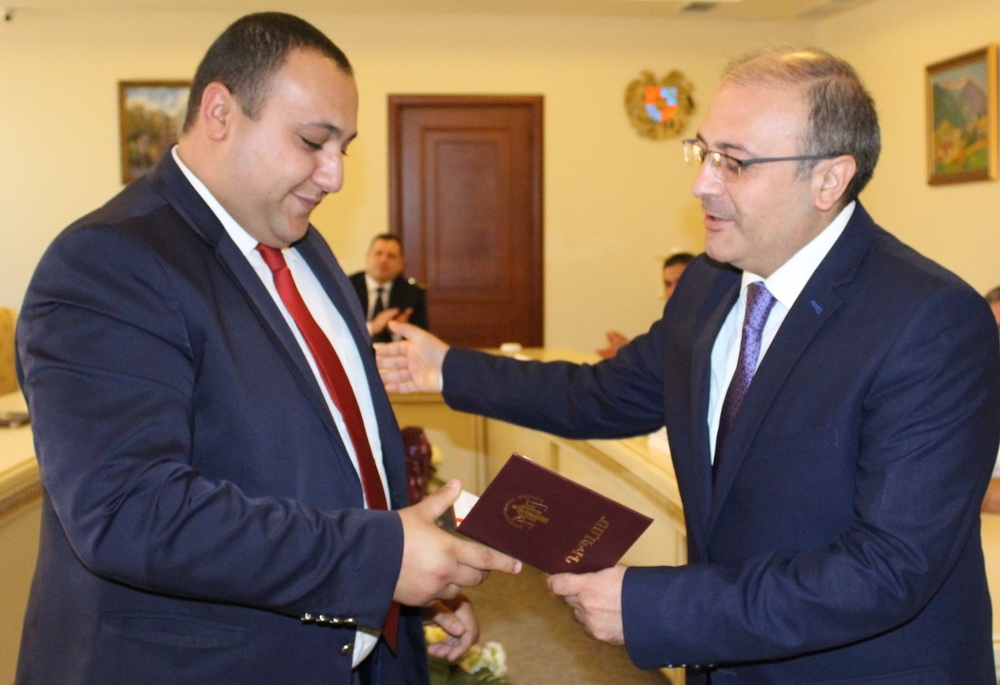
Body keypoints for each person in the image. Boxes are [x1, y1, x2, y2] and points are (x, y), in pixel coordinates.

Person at [378, 47, 1000, 683]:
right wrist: (449, 369)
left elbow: (888, 567)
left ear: (829, 179)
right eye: (703, 152)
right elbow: (607, 394)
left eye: (734, 162)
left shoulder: (929, 322)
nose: (702, 183)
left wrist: (655, 608)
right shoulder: (712, 281)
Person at [14, 13, 519, 685]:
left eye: (345, 147)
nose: (335, 175)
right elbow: (130, 510)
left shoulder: (306, 248)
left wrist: (405, 584)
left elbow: (328, 454)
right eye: (313, 141)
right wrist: (377, 560)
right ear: (220, 112)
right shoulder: (108, 261)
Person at [597, 251, 694, 358]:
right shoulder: (667, 326)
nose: (672, 291)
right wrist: (625, 352)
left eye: (680, 282)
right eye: (668, 284)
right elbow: (657, 359)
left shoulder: (705, 326)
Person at [349, 233, 428, 344]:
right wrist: (372, 327)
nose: (383, 260)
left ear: (402, 263)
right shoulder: (348, 286)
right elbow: (339, 331)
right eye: (378, 253)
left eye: (391, 256)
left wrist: (398, 331)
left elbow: (420, 340)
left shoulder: (413, 293)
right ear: (368, 256)